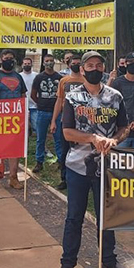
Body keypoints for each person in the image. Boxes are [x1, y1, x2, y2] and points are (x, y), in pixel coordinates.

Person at [54, 50, 133, 268]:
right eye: (90, 65)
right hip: (78, 167)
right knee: (74, 218)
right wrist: (92, 138)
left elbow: (124, 127)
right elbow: (67, 132)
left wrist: (115, 140)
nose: (95, 68)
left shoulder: (115, 96)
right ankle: (67, 263)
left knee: (106, 217)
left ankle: (109, 261)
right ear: (82, 68)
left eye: (99, 64)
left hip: (106, 168)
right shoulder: (72, 96)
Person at [0, 49, 26, 190]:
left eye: (11, 58)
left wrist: (24, 115)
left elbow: (23, 96)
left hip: (15, 120)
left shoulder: (18, 76)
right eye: (6, 58)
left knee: (14, 150)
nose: (9, 60)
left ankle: (13, 178)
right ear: (1, 59)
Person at [51, 54, 84, 190]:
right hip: (66, 120)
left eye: (78, 62)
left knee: (83, 151)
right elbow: (59, 101)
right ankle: (64, 178)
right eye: (73, 63)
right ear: (69, 65)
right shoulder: (64, 81)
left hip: (83, 121)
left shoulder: (86, 80)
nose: (75, 65)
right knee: (65, 151)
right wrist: (53, 120)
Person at [31, 54, 63, 173]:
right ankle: (39, 162)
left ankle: (60, 160)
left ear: (54, 62)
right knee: (40, 138)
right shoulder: (39, 77)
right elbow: (33, 94)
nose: (49, 62)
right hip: (42, 111)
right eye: (47, 61)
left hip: (57, 112)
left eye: (51, 60)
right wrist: (40, 103)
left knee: (58, 138)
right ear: (43, 63)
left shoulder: (59, 77)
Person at [20, 56, 39, 136]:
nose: (27, 65)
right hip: (23, 106)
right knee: (23, 130)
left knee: (37, 128)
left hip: (34, 105)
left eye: (28, 63)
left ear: (31, 65)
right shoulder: (19, 76)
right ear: (22, 65)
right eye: (25, 64)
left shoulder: (36, 76)